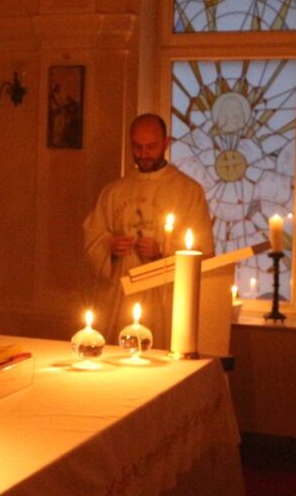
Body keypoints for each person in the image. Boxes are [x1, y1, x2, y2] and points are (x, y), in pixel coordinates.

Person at [82, 113, 214, 347]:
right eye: (137, 147)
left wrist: (163, 250)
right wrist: (110, 246)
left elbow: (202, 252)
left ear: (165, 143)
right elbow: (94, 237)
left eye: (151, 147)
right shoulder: (114, 192)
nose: (143, 154)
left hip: (165, 300)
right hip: (121, 298)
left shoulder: (189, 192)